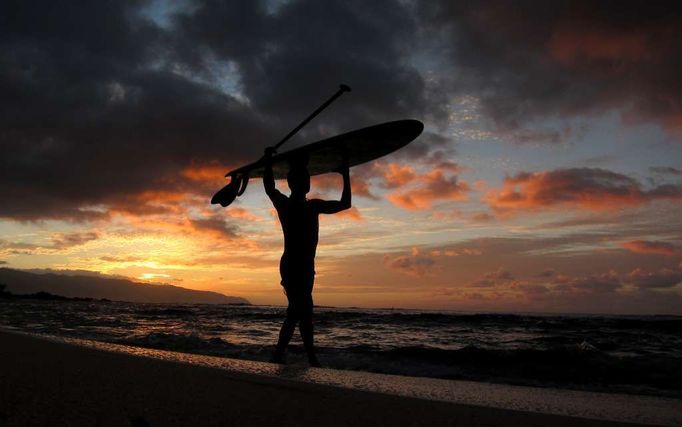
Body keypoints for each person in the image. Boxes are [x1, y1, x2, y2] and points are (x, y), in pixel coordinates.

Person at [263, 147, 351, 367]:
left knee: (300, 312)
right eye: (304, 178)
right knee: (300, 311)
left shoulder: (308, 206)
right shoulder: (303, 206)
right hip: (294, 266)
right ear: (295, 183)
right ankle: (305, 358)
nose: (308, 182)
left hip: (303, 266)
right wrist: (345, 174)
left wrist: (267, 161)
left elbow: (345, 204)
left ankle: (286, 356)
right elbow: (270, 187)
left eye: (308, 178)